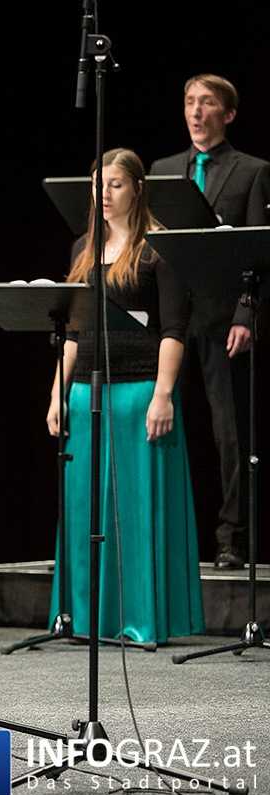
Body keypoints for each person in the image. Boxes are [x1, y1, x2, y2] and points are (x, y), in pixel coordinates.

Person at [47, 148, 203, 644]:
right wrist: (57, 393)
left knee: (136, 510)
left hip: (137, 393)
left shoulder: (159, 249)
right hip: (87, 395)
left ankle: (141, 618)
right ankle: (89, 618)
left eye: (115, 184)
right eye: (98, 185)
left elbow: (174, 330)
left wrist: (164, 395)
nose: (105, 194)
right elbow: (71, 332)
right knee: (86, 508)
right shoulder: (81, 250)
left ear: (137, 187)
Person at [149, 74, 269, 569]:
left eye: (209, 103)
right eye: (190, 102)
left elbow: (261, 252)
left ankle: (230, 537)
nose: (197, 112)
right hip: (171, 318)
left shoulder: (253, 170)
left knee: (227, 433)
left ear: (229, 114)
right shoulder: (163, 169)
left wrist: (247, 312)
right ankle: (170, 536)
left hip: (223, 319)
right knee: (164, 422)